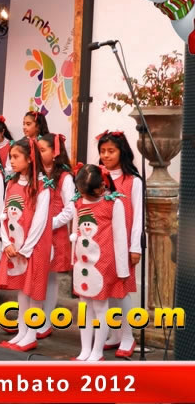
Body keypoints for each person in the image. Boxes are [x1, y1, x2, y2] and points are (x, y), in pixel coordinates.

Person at [0, 138, 52, 352]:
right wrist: (6, 242)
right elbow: (4, 214)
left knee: (33, 290)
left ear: (29, 159)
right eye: (10, 157)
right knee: (21, 290)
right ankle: (22, 332)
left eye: (15, 157)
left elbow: (40, 221)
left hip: (33, 247)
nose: (11, 161)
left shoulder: (42, 186)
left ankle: (31, 334)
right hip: (14, 245)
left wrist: (26, 249)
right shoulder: (11, 183)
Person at [71, 164, 129, 361]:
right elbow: (76, 230)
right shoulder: (78, 202)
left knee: (100, 307)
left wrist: (122, 270)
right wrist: (73, 260)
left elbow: (120, 237)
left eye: (88, 193)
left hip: (103, 262)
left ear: (101, 187)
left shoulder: (113, 203)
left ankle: (97, 351)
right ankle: (84, 350)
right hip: (82, 262)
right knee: (84, 306)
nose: (83, 196)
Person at [97, 130, 142, 358]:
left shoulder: (133, 181)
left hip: (123, 245)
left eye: (111, 151)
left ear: (121, 152)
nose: (106, 155)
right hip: (101, 243)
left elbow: (138, 216)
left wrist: (135, 247)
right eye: (103, 151)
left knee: (121, 290)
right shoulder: (97, 179)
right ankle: (115, 334)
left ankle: (128, 336)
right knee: (107, 290)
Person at [37, 133, 74, 339]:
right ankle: (34, 317)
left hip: (54, 231)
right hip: (36, 232)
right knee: (36, 274)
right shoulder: (37, 174)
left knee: (50, 277)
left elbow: (70, 209)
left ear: (55, 152)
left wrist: (49, 223)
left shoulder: (65, 177)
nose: (38, 153)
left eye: (43, 150)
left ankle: (47, 320)